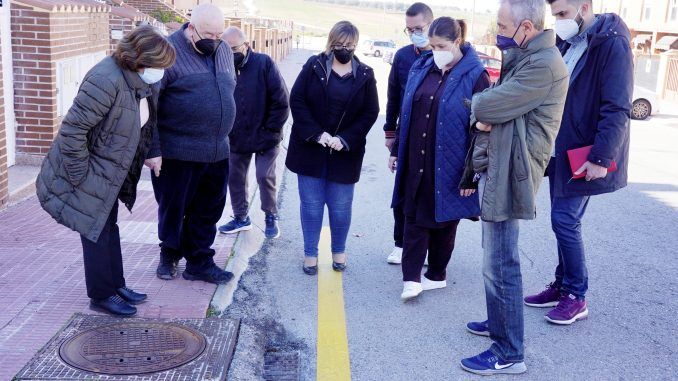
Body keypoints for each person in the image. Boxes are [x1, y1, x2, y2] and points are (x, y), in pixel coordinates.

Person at [459, 0, 569, 375]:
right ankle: (498, 323)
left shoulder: (542, 64)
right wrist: (489, 113)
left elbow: (488, 107)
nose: (498, 33)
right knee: (493, 259)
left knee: (501, 264)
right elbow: (494, 109)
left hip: (512, 171)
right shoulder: (524, 56)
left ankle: (508, 352)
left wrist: (482, 111)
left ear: (526, 26)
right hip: (500, 164)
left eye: (503, 26)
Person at [36, 26, 176, 316]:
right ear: (140, 59)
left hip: (110, 170)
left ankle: (116, 285)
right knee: (95, 230)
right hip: (88, 169)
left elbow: (146, 122)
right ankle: (101, 295)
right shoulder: (105, 79)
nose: (162, 72)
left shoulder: (140, 79)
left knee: (108, 227)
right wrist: (80, 178)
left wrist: (151, 153)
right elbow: (73, 131)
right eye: (160, 65)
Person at [524, 0, 632, 325]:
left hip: (584, 153)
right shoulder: (566, 42)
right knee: (561, 220)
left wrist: (601, 156)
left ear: (584, 7)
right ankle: (561, 285)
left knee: (564, 220)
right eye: (554, 15)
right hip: (558, 146)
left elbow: (617, 106)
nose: (558, 22)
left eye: (562, 14)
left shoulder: (611, 43)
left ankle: (576, 294)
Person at [389, 17, 489, 301]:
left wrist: (471, 172)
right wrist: (397, 148)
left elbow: (482, 129)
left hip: (452, 162)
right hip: (415, 158)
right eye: (432, 46)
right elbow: (406, 113)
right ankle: (411, 278)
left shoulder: (475, 75)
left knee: (444, 220)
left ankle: (436, 274)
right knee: (412, 215)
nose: (435, 51)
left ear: (457, 42)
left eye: (441, 46)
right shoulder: (422, 67)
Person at [151, 4, 237, 284]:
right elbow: (148, 106)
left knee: (209, 209)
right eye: (208, 34)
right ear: (190, 29)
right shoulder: (166, 52)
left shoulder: (223, 49)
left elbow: (228, 88)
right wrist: (152, 151)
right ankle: (169, 253)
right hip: (177, 152)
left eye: (219, 34)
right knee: (174, 209)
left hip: (217, 150)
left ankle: (199, 262)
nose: (214, 40)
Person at [286, 21, 379, 275]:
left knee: (340, 207)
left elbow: (371, 112)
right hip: (310, 149)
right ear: (331, 42)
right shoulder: (313, 66)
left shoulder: (366, 74)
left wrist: (345, 138)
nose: (344, 49)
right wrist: (317, 134)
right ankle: (310, 255)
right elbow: (297, 99)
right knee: (312, 206)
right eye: (339, 44)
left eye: (349, 45)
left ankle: (339, 251)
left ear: (356, 45)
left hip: (345, 153)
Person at [217, 27, 290, 239]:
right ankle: (241, 217)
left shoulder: (264, 63)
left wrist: (272, 129)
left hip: (266, 134)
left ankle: (270, 215)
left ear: (246, 45)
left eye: (234, 49)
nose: (230, 55)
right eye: (225, 50)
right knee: (235, 177)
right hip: (236, 135)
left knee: (264, 175)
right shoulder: (221, 67)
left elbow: (282, 99)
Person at [385, 2, 434, 265]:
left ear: (431, 25)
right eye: (409, 29)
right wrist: (390, 132)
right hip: (405, 136)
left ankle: (426, 249)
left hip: (433, 137)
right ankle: (400, 243)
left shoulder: (446, 54)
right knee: (402, 191)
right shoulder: (403, 57)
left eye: (419, 28)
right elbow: (393, 96)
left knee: (427, 194)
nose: (414, 33)